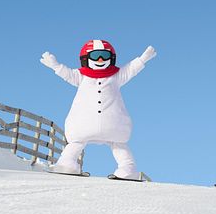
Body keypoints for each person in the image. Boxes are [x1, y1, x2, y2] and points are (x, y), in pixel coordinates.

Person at [40, 39, 157, 180]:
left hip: (107, 123)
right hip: (91, 122)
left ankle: (127, 169)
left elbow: (130, 69)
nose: (100, 59)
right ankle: (68, 164)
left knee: (113, 142)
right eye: (95, 56)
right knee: (83, 141)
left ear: (112, 58)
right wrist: (55, 65)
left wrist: (143, 59)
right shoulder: (81, 76)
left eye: (104, 56)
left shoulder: (116, 75)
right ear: (86, 58)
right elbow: (67, 74)